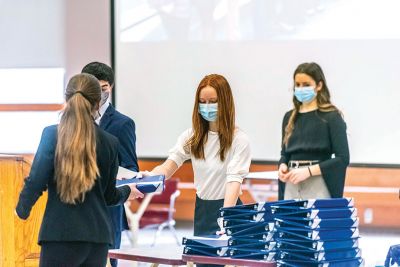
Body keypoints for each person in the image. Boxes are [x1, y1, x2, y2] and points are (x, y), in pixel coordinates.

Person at [15, 73, 144, 266]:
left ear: (66, 98)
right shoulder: (110, 142)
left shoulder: (51, 135)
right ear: (97, 102)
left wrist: (22, 210)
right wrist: (127, 192)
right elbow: (108, 195)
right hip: (97, 238)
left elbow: (36, 181)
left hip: (59, 235)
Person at [145, 74, 251, 243]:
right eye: (202, 102)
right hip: (202, 209)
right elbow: (168, 166)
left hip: (229, 210)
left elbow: (233, 182)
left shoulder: (239, 139)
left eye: (212, 101)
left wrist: (226, 219)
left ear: (225, 101)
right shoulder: (192, 136)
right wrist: (149, 176)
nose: (207, 107)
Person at [81, 62, 138, 267]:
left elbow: (131, 168)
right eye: (94, 88)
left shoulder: (122, 124)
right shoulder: (73, 121)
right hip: (76, 210)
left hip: (107, 209)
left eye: (103, 88)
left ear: (111, 88)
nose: (99, 93)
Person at [278, 62, 350, 200]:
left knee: (317, 221)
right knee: (289, 220)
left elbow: (343, 158)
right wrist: (282, 165)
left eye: (306, 85)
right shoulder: (289, 117)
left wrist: (308, 171)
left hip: (319, 182)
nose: (300, 89)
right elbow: (284, 154)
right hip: (291, 183)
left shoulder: (332, 117)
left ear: (319, 85)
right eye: (297, 85)